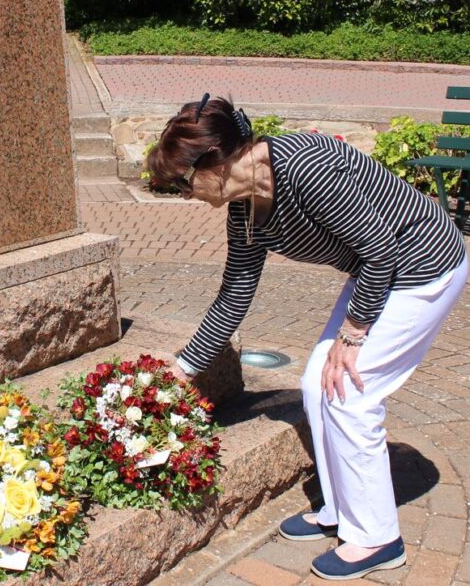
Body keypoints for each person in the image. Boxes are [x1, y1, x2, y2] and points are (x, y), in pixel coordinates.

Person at [148, 94, 467, 581]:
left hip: (423, 267)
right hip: (376, 273)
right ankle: (342, 511)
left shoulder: (306, 167)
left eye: (183, 181)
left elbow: (381, 249)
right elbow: (234, 296)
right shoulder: (245, 210)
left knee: (350, 396)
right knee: (318, 385)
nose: (185, 192)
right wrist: (182, 369)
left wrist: (354, 334)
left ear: (215, 160)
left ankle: (378, 538)